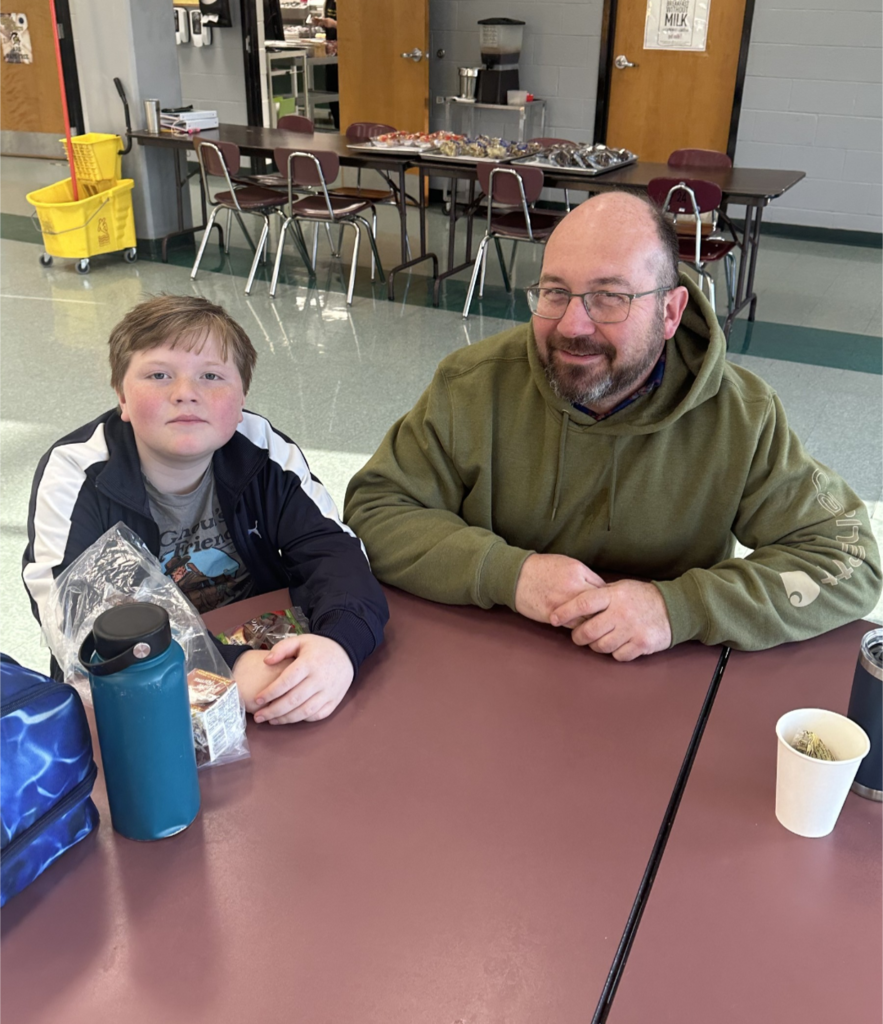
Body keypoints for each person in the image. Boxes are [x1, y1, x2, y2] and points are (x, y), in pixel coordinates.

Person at [344, 191, 882, 659]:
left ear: (670, 313)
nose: (572, 325)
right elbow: (374, 510)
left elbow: (850, 559)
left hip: (663, 686)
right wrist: (510, 574)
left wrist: (680, 609)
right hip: (489, 666)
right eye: (555, 292)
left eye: (610, 296)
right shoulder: (472, 385)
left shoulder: (741, 417)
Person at [24, 294, 388, 723]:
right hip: (137, 692)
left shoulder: (264, 449)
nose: (186, 394)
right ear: (122, 396)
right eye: (159, 374)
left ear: (240, 400)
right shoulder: (74, 471)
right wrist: (225, 667)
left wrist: (339, 646)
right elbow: (74, 622)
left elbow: (336, 553)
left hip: (264, 658)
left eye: (211, 376)